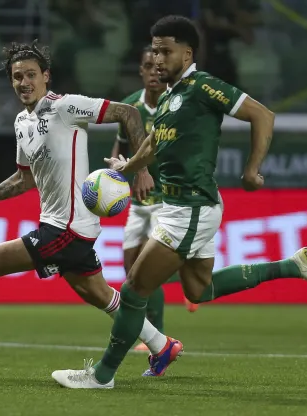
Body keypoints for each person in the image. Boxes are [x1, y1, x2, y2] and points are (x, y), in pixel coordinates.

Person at [51, 15, 307, 389]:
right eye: (154, 50)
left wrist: (252, 170)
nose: (156, 59)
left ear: (187, 53)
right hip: (187, 206)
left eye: (165, 51)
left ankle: (102, 375)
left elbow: (261, 115)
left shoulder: (203, 87)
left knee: (136, 287)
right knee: (199, 290)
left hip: (189, 207)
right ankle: (292, 265)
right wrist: (127, 168)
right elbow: (155, 142)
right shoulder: (172, 96)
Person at [0, 40, 181, 377]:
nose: (24, 82)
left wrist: (141, 168)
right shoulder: (22, 123)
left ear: (46, 76)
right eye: (16, 76)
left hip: (65, 228)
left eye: (31, 75)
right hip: (66, 228)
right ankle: (162, 345)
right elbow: (24, 180)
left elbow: (128, 112)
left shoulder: (67, 107)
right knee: (100, 296)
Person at [111, 46, 198, 355]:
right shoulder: (130, 107)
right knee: (130, 268)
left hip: (169, 198)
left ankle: (156, 339)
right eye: (147, 66)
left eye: (156, 67)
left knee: (147, 270)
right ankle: (185, 275)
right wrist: (116, 170)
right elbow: (120, 147)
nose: (152, 72)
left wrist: (145, 170)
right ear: (141, 70)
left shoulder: (175, 105)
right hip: (139, 201)